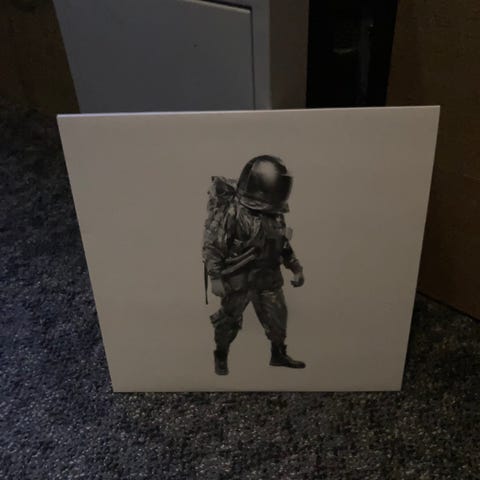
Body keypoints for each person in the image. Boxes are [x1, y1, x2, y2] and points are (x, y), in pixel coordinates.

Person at [203, 155, 306, 375]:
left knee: (278, 317)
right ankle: (221, 355)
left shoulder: (275, 214)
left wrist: (296, 267)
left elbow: (282, 244)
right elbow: (214, 246)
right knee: (228, 321)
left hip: (268, 276)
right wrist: (215, 277)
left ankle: (278, 354)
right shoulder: (234, 212)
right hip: (239, 277)